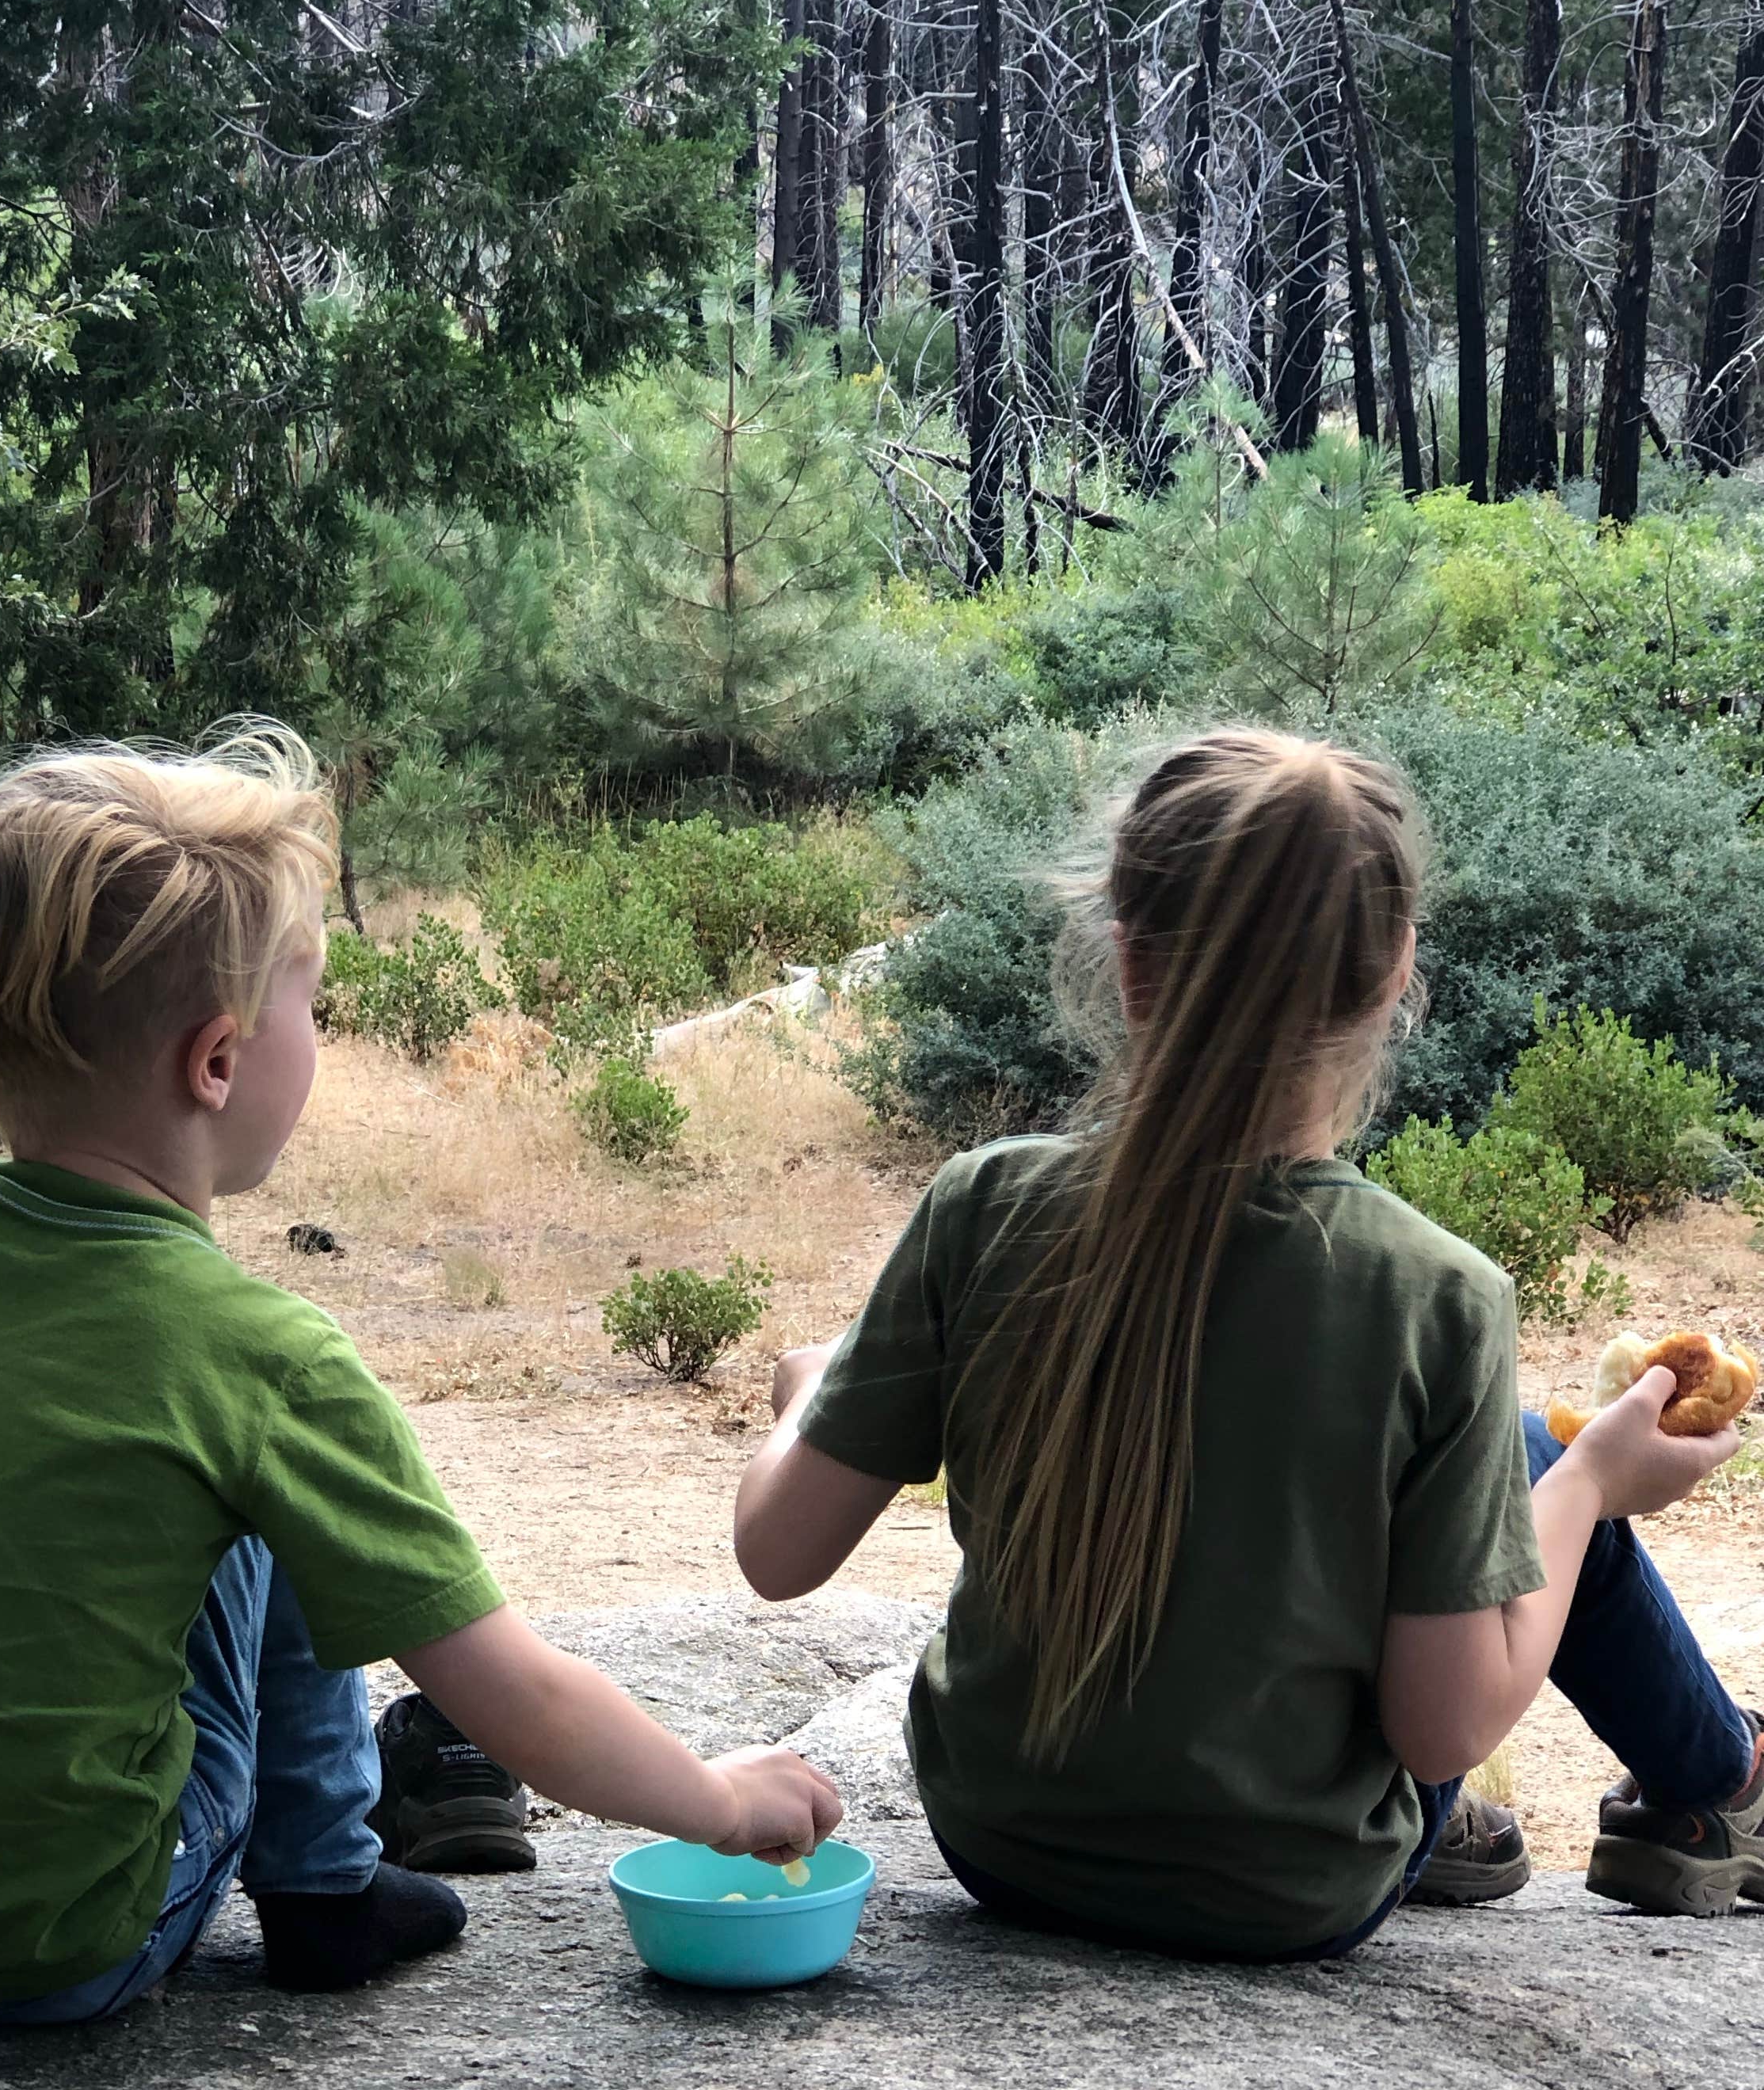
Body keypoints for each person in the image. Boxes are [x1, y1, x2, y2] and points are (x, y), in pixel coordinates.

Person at [0, 736, 836, 2020]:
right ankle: (326, 1887)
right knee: (265, 1501)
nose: (323, 1039)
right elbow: (519, 1698)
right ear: (218, 1061)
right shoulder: (261, 1355)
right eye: (316, 1007)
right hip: (56, 1942)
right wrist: (726, 1802)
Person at [733, 726, 1760, 1961]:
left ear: (1127, 962)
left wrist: (807, 1394)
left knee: (1517, 1475)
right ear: (1395, 975)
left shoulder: (982, 1205)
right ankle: (1724, 1786)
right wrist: (1595, 1482)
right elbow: (1441, 1735)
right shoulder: (1439, 1293)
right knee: (1545, 1471)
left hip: (1003, 1841)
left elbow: (777, 1553)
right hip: (1293, 1885)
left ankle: (1633, 1794)